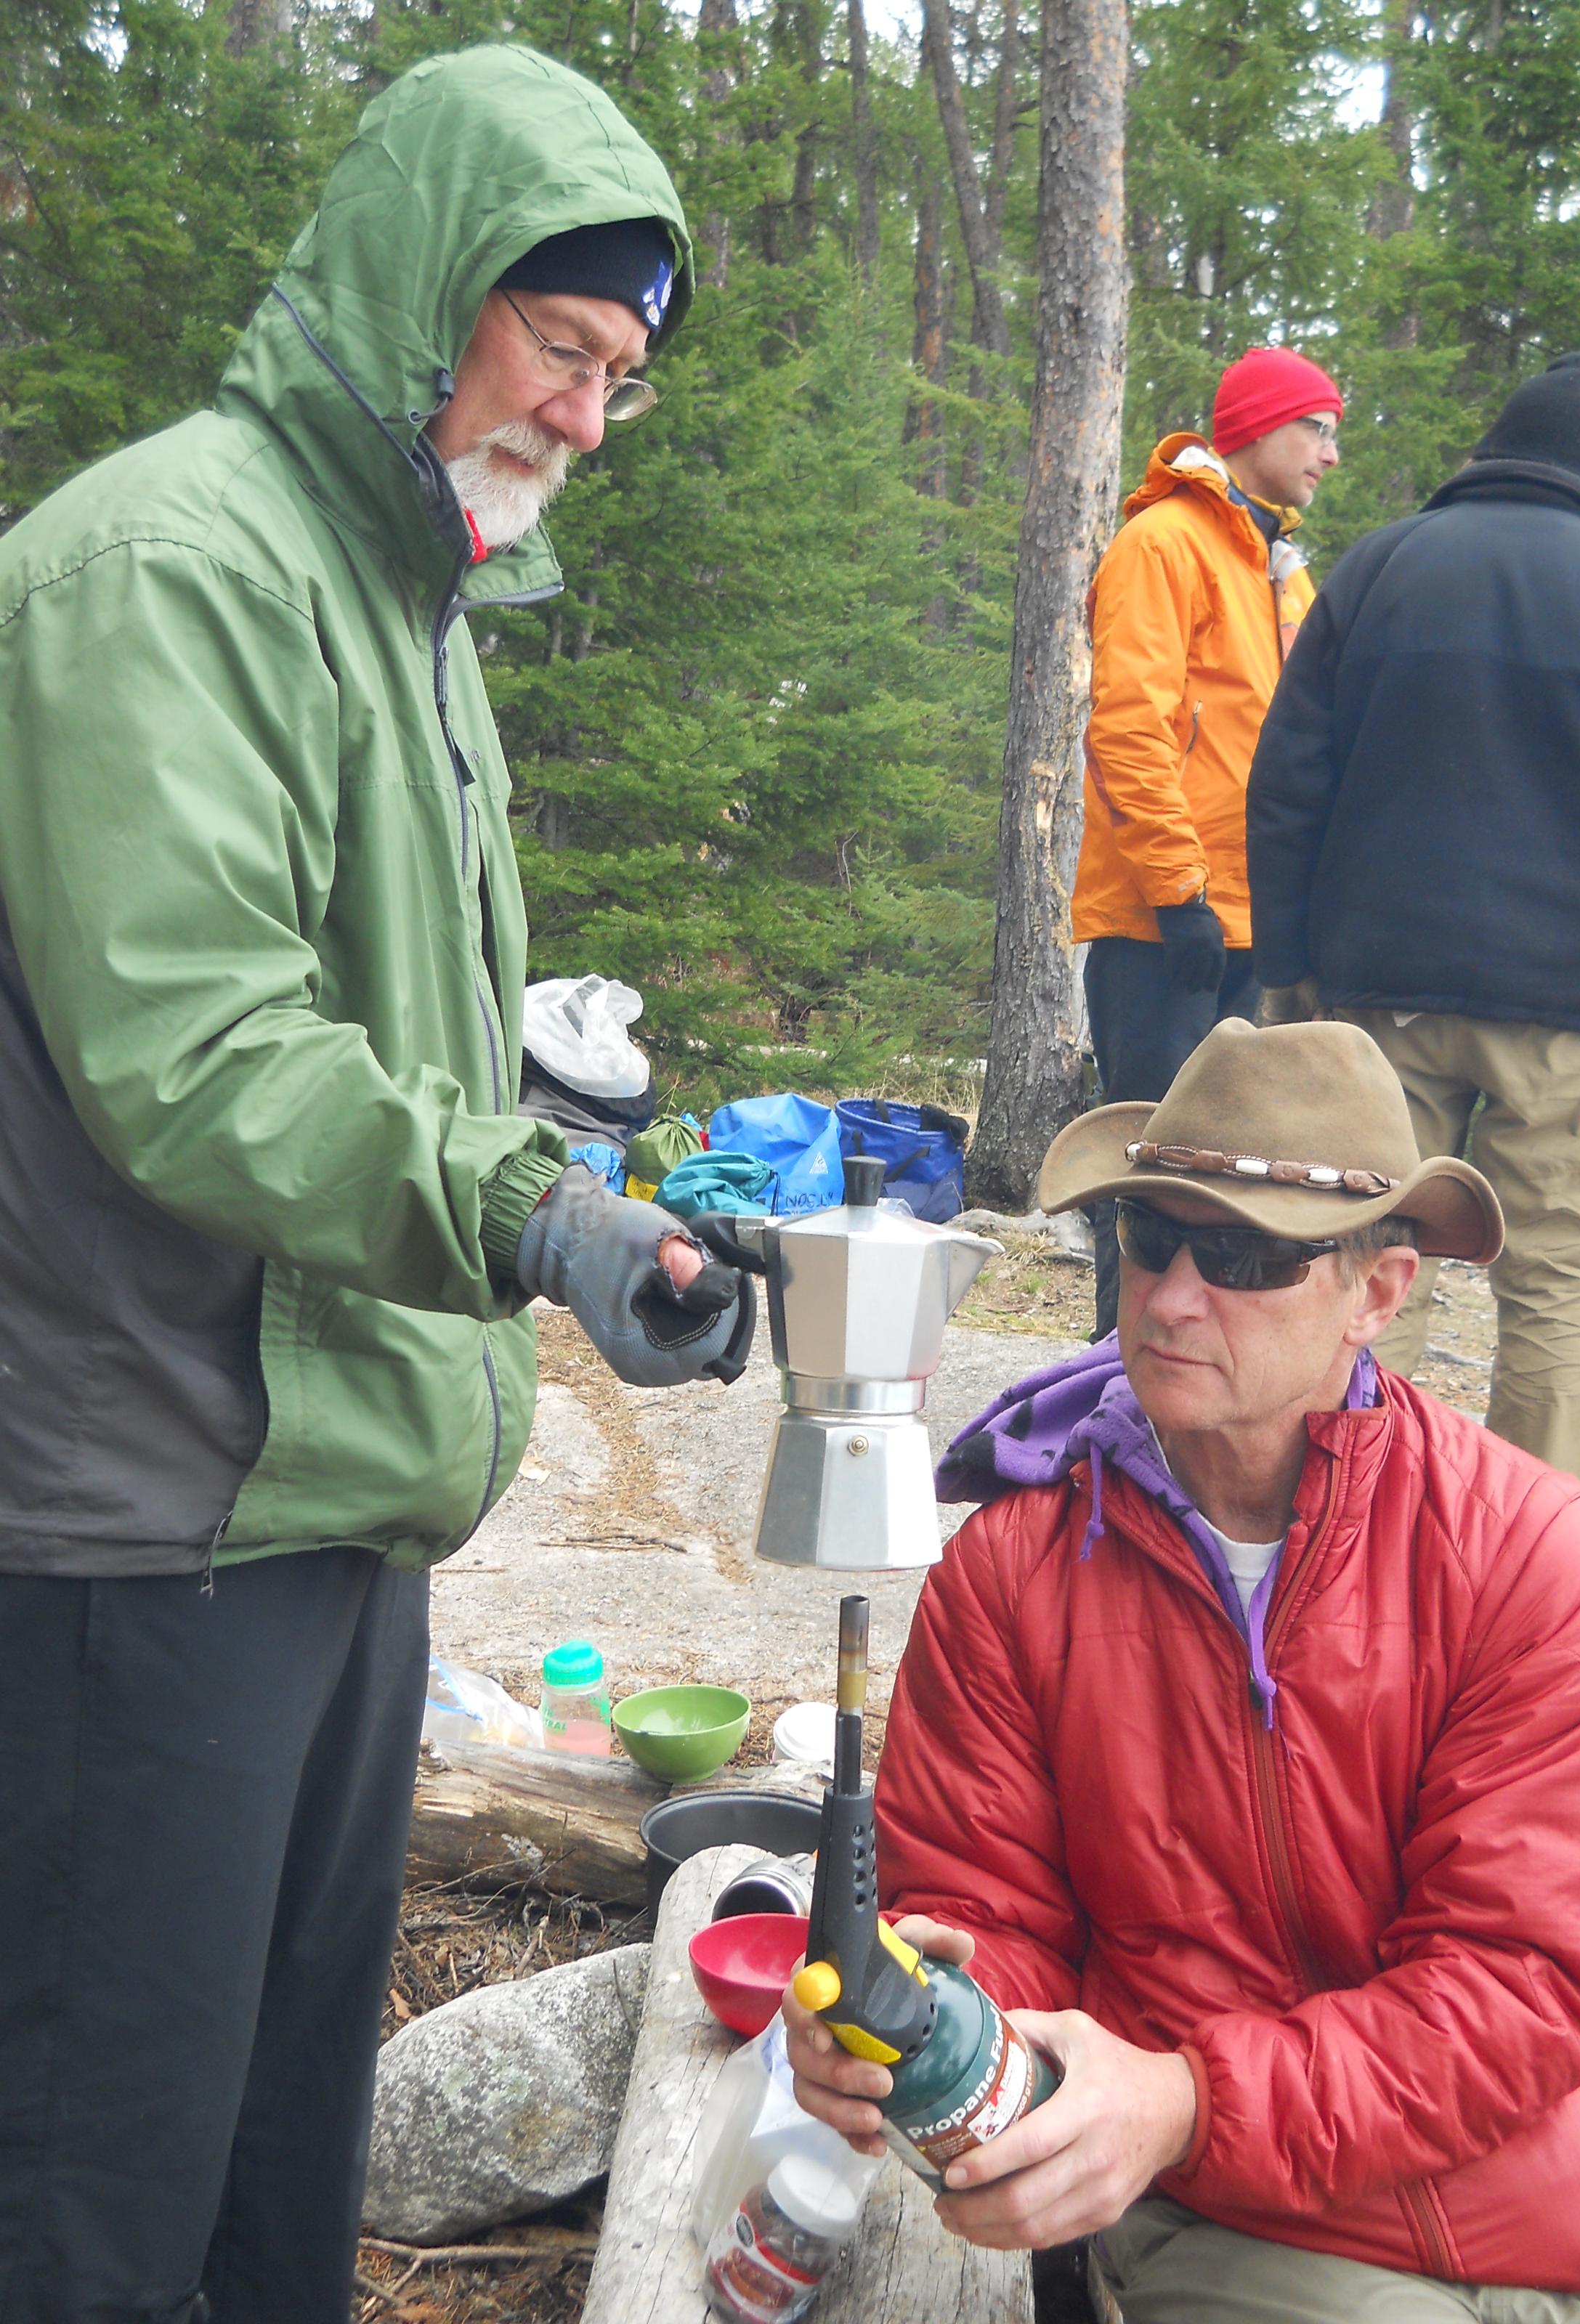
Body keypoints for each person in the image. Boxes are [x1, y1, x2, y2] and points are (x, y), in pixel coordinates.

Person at [0, 48, 761, 2324]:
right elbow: (201, 1052)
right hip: (150, 1511)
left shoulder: (402, 596)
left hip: (331, 1497)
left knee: (272, 2183)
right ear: (432, 289)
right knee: (95, 2198)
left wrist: (591, 1157)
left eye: (621, 376)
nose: (586, 418)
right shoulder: (168, 570)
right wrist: (532, 1215)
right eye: (561, 346)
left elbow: (391, 1015)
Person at [785, 1017, 1580, 2321]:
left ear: (1379, 1293)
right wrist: (907, 2019)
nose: (1174, 1297)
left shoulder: (1534, 1558)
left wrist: (1189, 2096)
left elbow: (1520, 1991)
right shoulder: (1009, 1579)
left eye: (1244, 1256)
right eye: (1148, 1238)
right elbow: (987, 1922)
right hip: (1238, 2220)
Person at [1247, 351, 1580, 1503]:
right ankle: (1543, 1581)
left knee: (1363, 1273)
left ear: (1491, 455)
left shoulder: (1379, 570)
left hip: (1382, 997)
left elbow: (1287, 787)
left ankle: (1338, 1544)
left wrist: (1290, 979)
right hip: (1578, 1013)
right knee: (1561, 1302)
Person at [1071, 344, 1344, 1337]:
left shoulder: (1281, 572)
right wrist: (1178, 891)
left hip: (1250, 922)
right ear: (1261, 428)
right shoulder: (1165, 543)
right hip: (1166, 924)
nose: (1331, 453)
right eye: (1317, 428)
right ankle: (1117, 1373)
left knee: (1224, 1174)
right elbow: (1129, 729)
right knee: (1150, 1166)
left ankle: (1191, 1378)